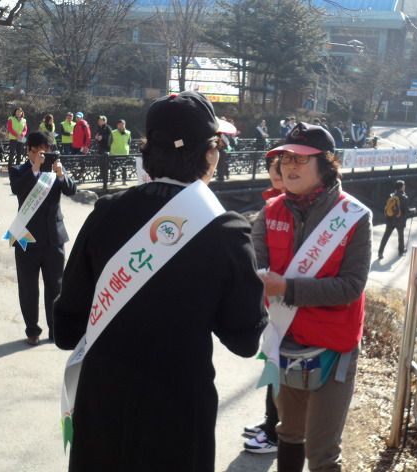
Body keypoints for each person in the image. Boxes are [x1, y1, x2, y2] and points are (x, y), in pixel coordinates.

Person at [53, 91, 266, 472]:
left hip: (103, 406)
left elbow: (67, 329)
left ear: (148, 149)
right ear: (209, 153)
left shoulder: (105, 213)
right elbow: (245, 340)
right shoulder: (226, 230)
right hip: (178, 414)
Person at [252, 122, 372, 471]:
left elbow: (351, 286)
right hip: (285, 341)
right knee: (288, 432)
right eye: (286, 157)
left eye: (301, 159)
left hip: (334, 348)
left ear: (326, 164)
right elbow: (253, 266)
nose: (289, 165)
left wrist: (287, 289)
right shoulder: (270, 212)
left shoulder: (354, 217)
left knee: (322, 452)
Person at [7, 131, 77, 346]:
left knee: (56, 287)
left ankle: (55, 329)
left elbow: (71, 190)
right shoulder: (18, 170)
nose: (42, 155)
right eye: (37, 151)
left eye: (45, 151)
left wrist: (61, 175)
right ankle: (32, 330)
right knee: (28, 288)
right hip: (26, 238)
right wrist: (35, 168)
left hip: (54, 238)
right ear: (29, 151)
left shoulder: (55, 170)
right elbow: (18, 189)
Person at [242, 153, 286, 455]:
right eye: (274, 167)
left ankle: (275, 430)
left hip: (290, 302)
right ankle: (271, 422)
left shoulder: (297, 208)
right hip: (275, 303)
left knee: (280, 366)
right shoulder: (273, 204)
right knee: (273, 364)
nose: (277, 172)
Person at [378, 179, 409, 260]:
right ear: (401, 187)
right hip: (399, 221)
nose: (404, 187)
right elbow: (406, 211)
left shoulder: (391, 196)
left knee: (386, 236)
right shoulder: (404, 197)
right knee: (400, 237)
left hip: (390, 220)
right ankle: (401, 251)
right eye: (404, 186)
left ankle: (380, 252)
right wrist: (413, 211)